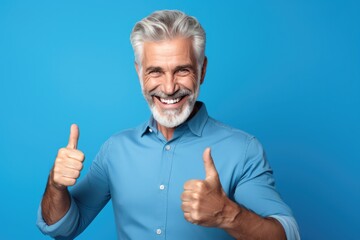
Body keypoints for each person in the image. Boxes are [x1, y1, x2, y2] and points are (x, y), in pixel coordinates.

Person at [37, 10, 300, 240]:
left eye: (182, 70)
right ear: (139, 72)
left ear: (203, 70)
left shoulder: (243, 149)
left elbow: (287, 234)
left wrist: (227, 215)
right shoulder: (115, 149)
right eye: (156, 71)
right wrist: (56, 185)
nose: (169, 87)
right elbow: (62, 228)